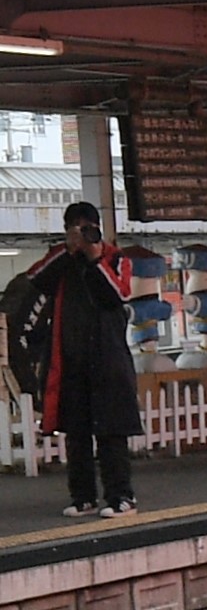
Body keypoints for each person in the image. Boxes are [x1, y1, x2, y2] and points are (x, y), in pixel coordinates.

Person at [4, 203, 141, 518]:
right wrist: (69, 250)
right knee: (76, 433)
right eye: (75, 227)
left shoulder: (116, 258)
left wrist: (94, 257)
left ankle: (122, 497)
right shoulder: (61, 259)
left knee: (111, 432)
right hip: (70, 360)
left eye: (87, 227)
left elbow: (116, 295)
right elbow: (36, 278)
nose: (82, 233)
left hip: (108, 360)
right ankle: (83, 497)